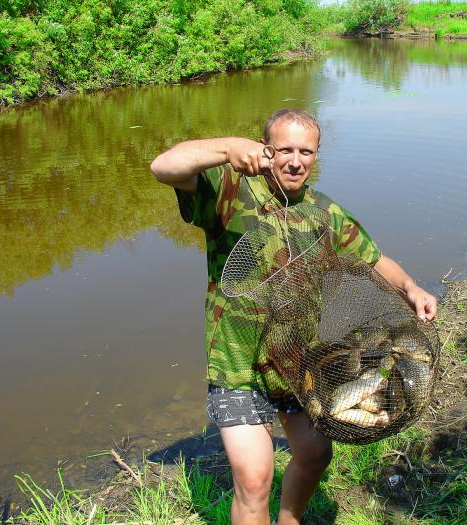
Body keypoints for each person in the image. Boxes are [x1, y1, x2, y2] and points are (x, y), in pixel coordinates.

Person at [150, 109, 437, 525]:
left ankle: (289, 520)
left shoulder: (325, 213)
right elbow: (163, 166)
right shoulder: (228, 190)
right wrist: (228, 147)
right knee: (254, 478)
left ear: (316, 156)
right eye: (284, 149)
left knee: (316, 454)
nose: (295, 160)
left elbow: (374, 259)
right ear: (266, 149)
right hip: (238, 366)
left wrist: (410, 287)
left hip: (299, 362)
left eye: (306, 151)